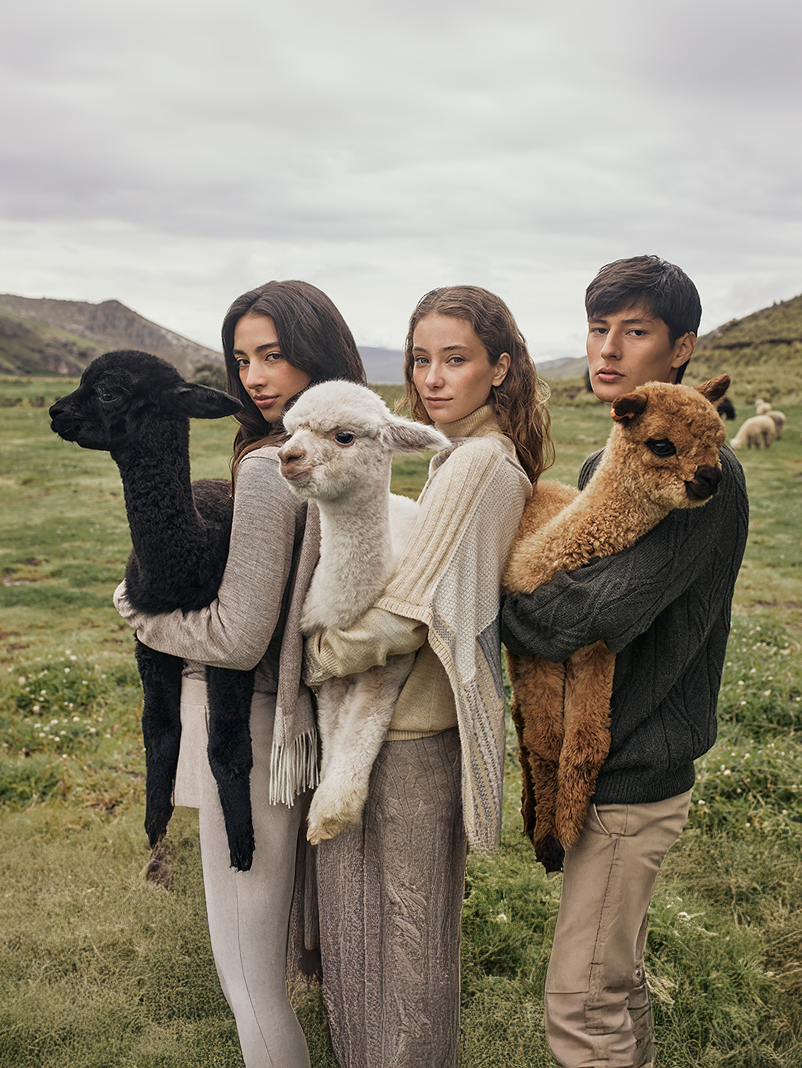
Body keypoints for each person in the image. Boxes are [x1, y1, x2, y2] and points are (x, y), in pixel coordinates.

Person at [501, 255, 750, 1068]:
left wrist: (494, 600)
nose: (609, 349)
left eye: (634, 332)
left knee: (580, 1001)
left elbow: (589, 615)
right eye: (598, 329)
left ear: (680, 350)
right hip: (616, 761)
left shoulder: (703, 473)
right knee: (616, 979)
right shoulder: (612, 461)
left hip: (636, 766)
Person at [114, 280, 366, 1068]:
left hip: (245, 730)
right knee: (264, 966)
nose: (254, 376)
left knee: (251, 978)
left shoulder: (269, 467)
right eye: (242, 358)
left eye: (275, 355)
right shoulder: (337, 451)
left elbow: (235, 634)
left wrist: (134, 610)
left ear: (316, 354)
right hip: (286, 726)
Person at [303, 285, 553, 1068]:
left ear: (500, 368)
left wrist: (318, 659)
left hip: (411, 736)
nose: (435, 377)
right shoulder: (468, 457)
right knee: (379, 932)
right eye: (421, 360)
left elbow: (411, 611)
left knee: (400, 944)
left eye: (457, 359)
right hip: (408, 726)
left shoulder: (478, 461)